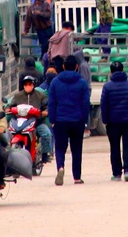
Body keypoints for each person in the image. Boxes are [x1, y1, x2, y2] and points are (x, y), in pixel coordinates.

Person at [48, 56, 91, 186]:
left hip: (60, 120)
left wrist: (52, 119)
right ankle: (77, 177)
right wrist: (84, 120)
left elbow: (52, 102)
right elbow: (85, 104)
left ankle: (60, 167)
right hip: (77, 120)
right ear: (76, 67)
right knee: (76, 148)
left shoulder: (55, 82)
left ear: (63, 67)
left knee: (60, 147)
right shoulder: (82, 82)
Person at [100, 61, 128, 182]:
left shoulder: (107, 86)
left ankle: (117, 174)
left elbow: (104, 106)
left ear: (111, 72)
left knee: (114, 147)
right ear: (123, 70)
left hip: (113, 122)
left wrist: (105, 120)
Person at [7, 75, 52, 163]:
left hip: (36, 122)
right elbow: (10, 105)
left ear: (33, 85)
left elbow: (46, 105)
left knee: (46, 134)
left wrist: (45, 111)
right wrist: (7, 108)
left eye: (30, 84)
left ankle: (45, 154)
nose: (28, 86)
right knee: (6, 135)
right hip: (20, 122)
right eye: (26, 84)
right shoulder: (17, 96)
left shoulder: (40, 95)